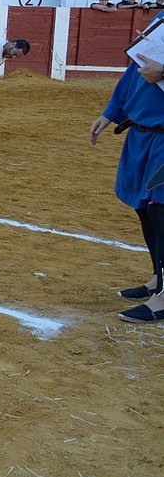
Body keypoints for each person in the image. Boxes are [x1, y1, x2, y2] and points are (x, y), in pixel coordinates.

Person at [91, 54, 164, 322]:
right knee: (144, 208)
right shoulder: (158, 30)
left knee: (161, 209)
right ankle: (158, 278)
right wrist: (110, 113)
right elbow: (134, 72)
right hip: (143, 134)